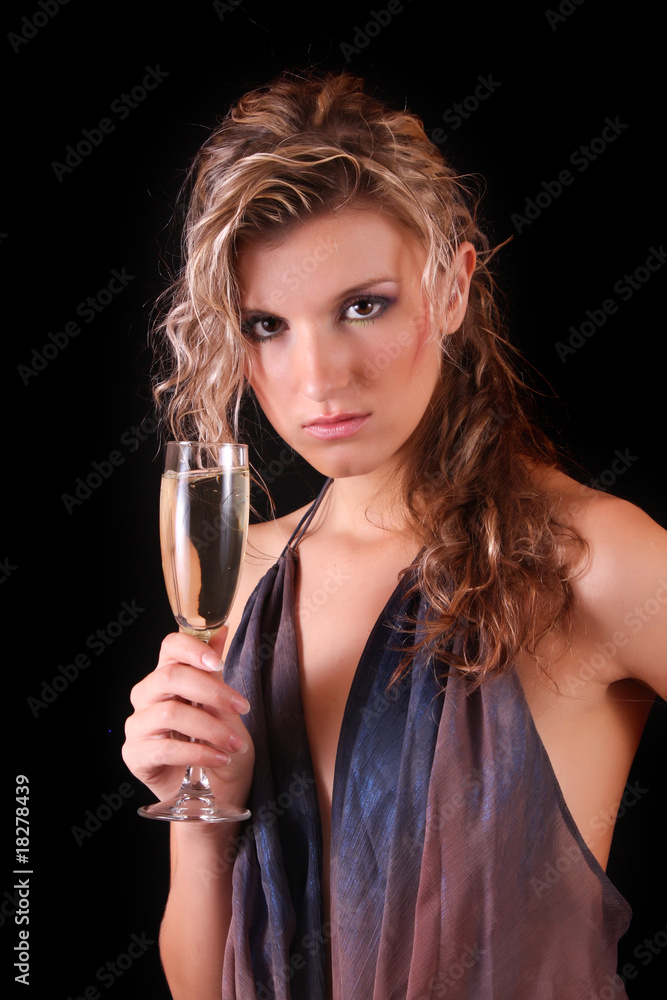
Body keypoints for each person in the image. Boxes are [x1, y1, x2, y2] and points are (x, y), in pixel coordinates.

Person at [122, 71, 667, 1000]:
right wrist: (201, 815)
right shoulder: (243, 571)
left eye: (362, 305)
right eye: (267, 325)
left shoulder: (591, 559)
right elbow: (199, 987)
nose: (319, 376)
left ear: (450, 288)